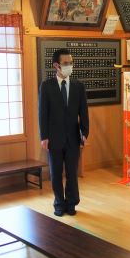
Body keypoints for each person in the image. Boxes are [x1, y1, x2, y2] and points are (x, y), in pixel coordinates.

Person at [39, 48, 89, 216]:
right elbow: (42, 113)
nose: (69, 66)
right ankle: (59, 203)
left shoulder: (78, 86)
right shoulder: (46, 86)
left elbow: (83, 112)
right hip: (54, 138)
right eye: (66, 63)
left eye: (70, 63)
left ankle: (72, 203)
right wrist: (43, 136)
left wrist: (84, 133)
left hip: (73, 137)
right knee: (56, 173)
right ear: (56, 65)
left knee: (72, 173)